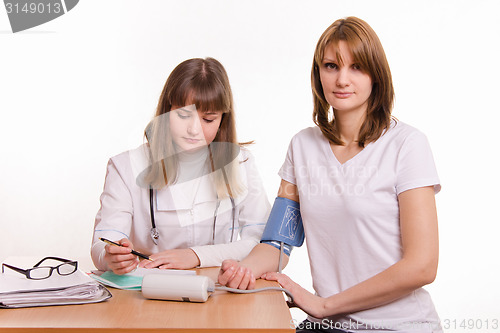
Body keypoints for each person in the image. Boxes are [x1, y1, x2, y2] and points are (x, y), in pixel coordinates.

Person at [218, 17, 442, 333]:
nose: (342, 79)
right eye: (331, 66)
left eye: (357, 67)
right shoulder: (303, 146)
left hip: (399, 326)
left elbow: (422, 266)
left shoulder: (407, 145)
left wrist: (323, 306)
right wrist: (241, 270)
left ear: (376, 76)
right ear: (318, 73)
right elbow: (278, 243)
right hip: (328, 325)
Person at [91, 57, 270, 275]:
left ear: (223, 120)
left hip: (215, 292)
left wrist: (195, 256)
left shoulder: (241, 163)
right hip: (144, 294)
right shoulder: (125, 166)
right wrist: (111, 256)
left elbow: (262, 243)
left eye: (208, 119)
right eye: (184, 115)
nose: (194, 129)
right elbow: (102, 243)